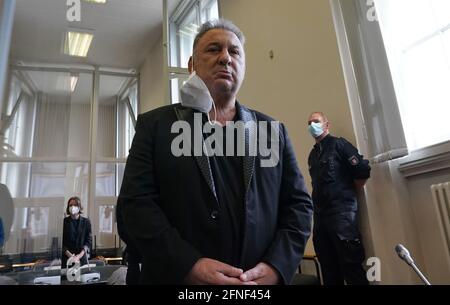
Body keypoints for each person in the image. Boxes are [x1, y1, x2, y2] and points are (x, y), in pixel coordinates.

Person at [117, 19, 313, 285]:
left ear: (243, 66)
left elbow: (299, 206)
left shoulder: (272, 131)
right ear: (192, 65)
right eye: (213, 49)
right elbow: (135, 206)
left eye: (234, 52)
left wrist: (277, 266)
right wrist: (188, 265)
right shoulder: (155, 127)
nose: (225, 58)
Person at [307, 111, 371, 285]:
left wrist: (347, 192)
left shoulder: (339, 145)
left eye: (316, 121)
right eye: (309, 123)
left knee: (351, 267)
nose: (312, 125)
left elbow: (362, 171)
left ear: (327, 125)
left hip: (341, 215)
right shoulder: (313, 155)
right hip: (320, 216)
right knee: (328, 267)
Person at [62, 196, 92, 268]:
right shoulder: (64, 222)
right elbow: (61, 242)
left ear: (79, 207)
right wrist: (70, 256)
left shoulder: (86, 222)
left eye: (75, 205)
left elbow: (88, 241)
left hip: (81, 258)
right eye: (70, 205)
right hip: (67, 258)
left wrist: (78, 256)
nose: (72, 207)